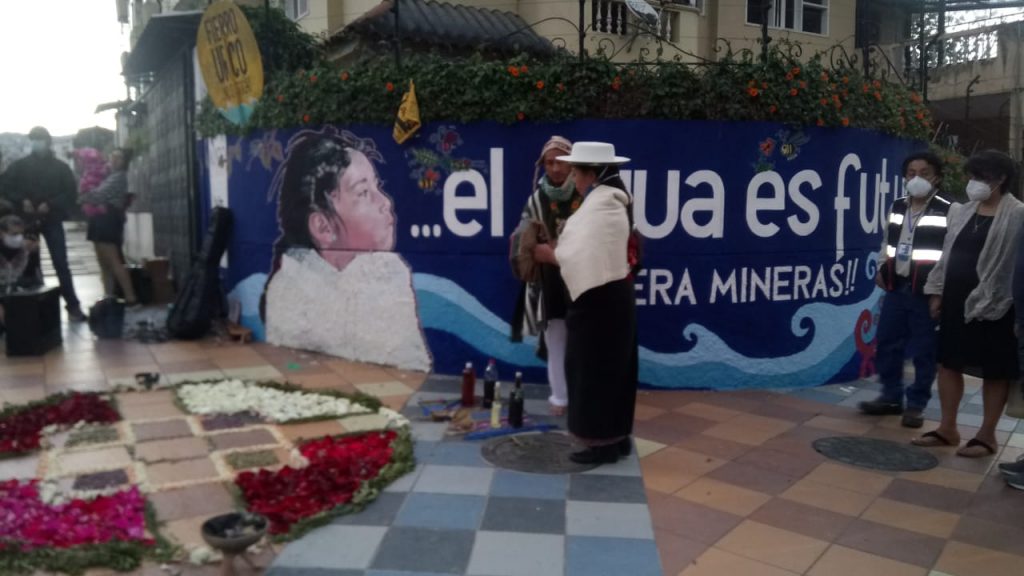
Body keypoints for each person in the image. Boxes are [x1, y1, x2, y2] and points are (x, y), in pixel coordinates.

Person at [262, 127, 431, 371]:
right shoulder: (290, 292)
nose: (386, 202)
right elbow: (302, 374)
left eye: (377, 186)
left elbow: (414, 367)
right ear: (322, 226)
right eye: (364, 193)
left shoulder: (391, 272)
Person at [533, 142, 638, 465]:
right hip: (613, 299)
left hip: (597, 301)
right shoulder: (613, 198)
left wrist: (547, 253)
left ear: (593, 173)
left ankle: (600, 444)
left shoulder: (601, 204)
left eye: (577, 171)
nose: (572, 177)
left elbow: (575, 254)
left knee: (592, 371)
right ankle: (617, 437)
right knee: (615, 370)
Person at [913, 150, 1024, 458]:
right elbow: (947, 253)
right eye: (972, 177)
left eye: (980, 177)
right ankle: (947, 429)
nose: (973, 183)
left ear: (1001, 179)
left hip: (999, 305)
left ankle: (986, 436)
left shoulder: (1017, 214)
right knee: (948, 364)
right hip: (955, 300)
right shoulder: (962, 211)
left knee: (995, 371)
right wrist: (936, 291)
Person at [859, 152, 950, 428]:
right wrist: (881, 267)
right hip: (896, 287)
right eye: (911, 173)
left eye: (924, 172)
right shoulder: (898, 206)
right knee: (887, 342)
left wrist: (939, 291)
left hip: (925, 292)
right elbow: (888, 241)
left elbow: (950, 255)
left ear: (936, 177)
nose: (917, 178)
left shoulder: (949, 209)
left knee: (924, 350)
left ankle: (916, 405)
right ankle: (891, 396)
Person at [511, 136, 579, 415]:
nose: (555, 168)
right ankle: (560, 398)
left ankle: (582, 393)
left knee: (584, 339)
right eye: (550, 163)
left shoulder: (585, 194)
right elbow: (523, 237)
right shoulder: (537, 199)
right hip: (551, 281)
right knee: (556, 338)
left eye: (561, 161)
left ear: (572, 164)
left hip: (581, 278)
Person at [1, 127, 85, 321]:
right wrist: (22, 200)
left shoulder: (60, 168)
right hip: (27, 222)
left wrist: (52, 204)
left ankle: (73, 306)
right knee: (30, 264)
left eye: (39, 139)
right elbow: (5, 187)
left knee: (61, 263)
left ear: (47, 141)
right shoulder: (19, 166)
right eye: (33, 139)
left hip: (52, 219)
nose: (36, 143)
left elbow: (70, 193)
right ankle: (32, 311)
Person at [78, 148, 138, 306]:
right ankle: (108, 296)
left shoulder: (118, 177)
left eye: (119, 158)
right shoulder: (108, 175)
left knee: (113, 260)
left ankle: (130, 297)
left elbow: (97, 195)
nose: (114, 160)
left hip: (108, 220)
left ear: (125, 162)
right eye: (113, 156)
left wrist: (84, 196)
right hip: (99, 219)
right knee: (103, 262)